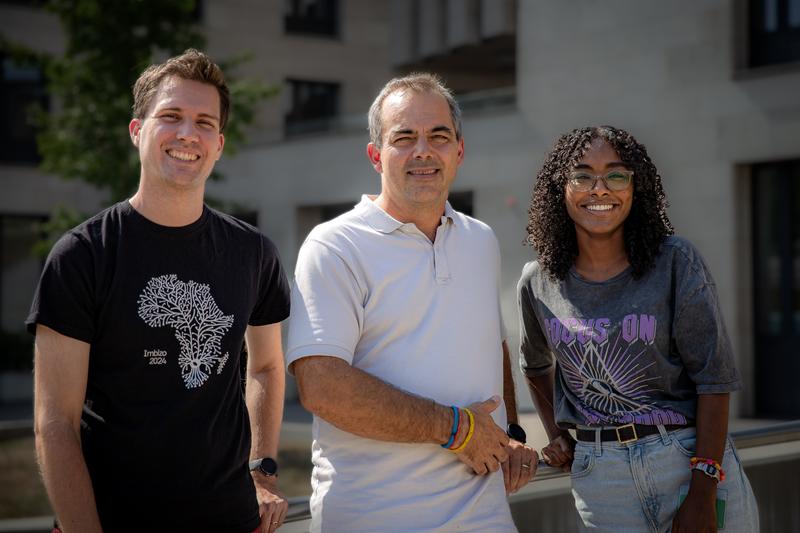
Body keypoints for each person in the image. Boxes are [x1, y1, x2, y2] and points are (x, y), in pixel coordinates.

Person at [28, 49, 291, 533]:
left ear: (219, 144)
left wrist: (263, 468)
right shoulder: (82, 255)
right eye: (171, 116)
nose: (188, 134)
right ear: (137, 132)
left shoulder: (254, 253)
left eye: (204, 122)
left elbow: (269, 366)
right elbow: (55, 424)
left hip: (230, 520)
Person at [286, 73, 538, 532]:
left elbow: (492, 343)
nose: (423, 150)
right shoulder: (334, 246)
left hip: (487, 517)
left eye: (438, 136)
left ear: (459, 151)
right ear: (376, 155)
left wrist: (512, 434)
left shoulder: (480, 240)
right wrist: (457, 430)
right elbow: (321, 386)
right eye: (404, 137)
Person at [518, 125, 759, 532]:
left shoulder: (675, 262)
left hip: (685, 460)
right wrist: (557, 434)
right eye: (582, 175)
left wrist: (702, 490)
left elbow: (714, 380)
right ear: (561, 188)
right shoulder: (538, 282)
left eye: (616, 175)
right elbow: (534, 363)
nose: (600, 189)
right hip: (602, 481)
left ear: (635, 187)